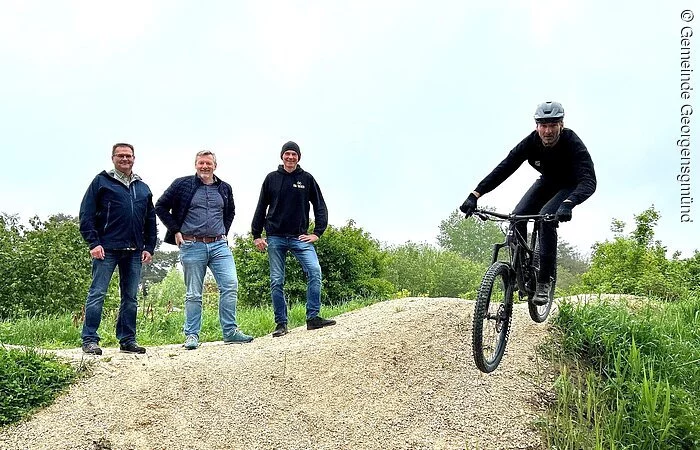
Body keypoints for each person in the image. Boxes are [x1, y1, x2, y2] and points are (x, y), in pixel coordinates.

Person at [460, 101, 597, 305]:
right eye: (543, 125)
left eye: (552, 125)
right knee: (517, 217)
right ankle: (520, 270)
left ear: (561, 124)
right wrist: (475, 194)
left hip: (570, 186)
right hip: (547, 182)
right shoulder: (531, 142)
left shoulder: (572, 142)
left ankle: (543, 281)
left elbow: (589, 181)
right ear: (536, 126)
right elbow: (505, 168)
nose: (547, 131)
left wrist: (569, 203)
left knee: (546, 218)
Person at [155, 150, 253, 350]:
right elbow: (161, 206)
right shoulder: (182, 184)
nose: (205, 166)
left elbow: (231, 210)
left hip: (219, 245)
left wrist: (224, 231)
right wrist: (175, 230)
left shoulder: (224, 188)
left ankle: (230, 332)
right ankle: (191, 335)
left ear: (215, 165)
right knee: (194, 293)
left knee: (230, 284)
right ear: (195, 165)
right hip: (192, 244)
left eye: (208, 163)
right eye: (201, 163)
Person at [79, 143, 157, 355]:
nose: (125, 159)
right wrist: (93, 243)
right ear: (113, 158)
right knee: (98, 293)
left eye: (128, 156)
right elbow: (86, 215)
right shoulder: (101, 182)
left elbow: (150, 219)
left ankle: (127, 340)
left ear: (134, 158)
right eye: (120, 156)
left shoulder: (143, 187)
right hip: (107, 248)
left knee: (130, 297)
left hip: (134, 250)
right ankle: (89, 340)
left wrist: (149, 246)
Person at [252, 141, 335, 337]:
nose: (290, 157)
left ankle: (313, 318)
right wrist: (256, 235)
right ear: (282, 156)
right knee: (276, 281)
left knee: (315, 272)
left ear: (299, 157)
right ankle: (281, 324)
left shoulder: (306, 179)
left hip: (300, 238)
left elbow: (320, 206)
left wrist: (318, 232)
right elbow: (261, 206)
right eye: (287, 154)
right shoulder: (271, 178)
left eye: (294, 154)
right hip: (275, 237)